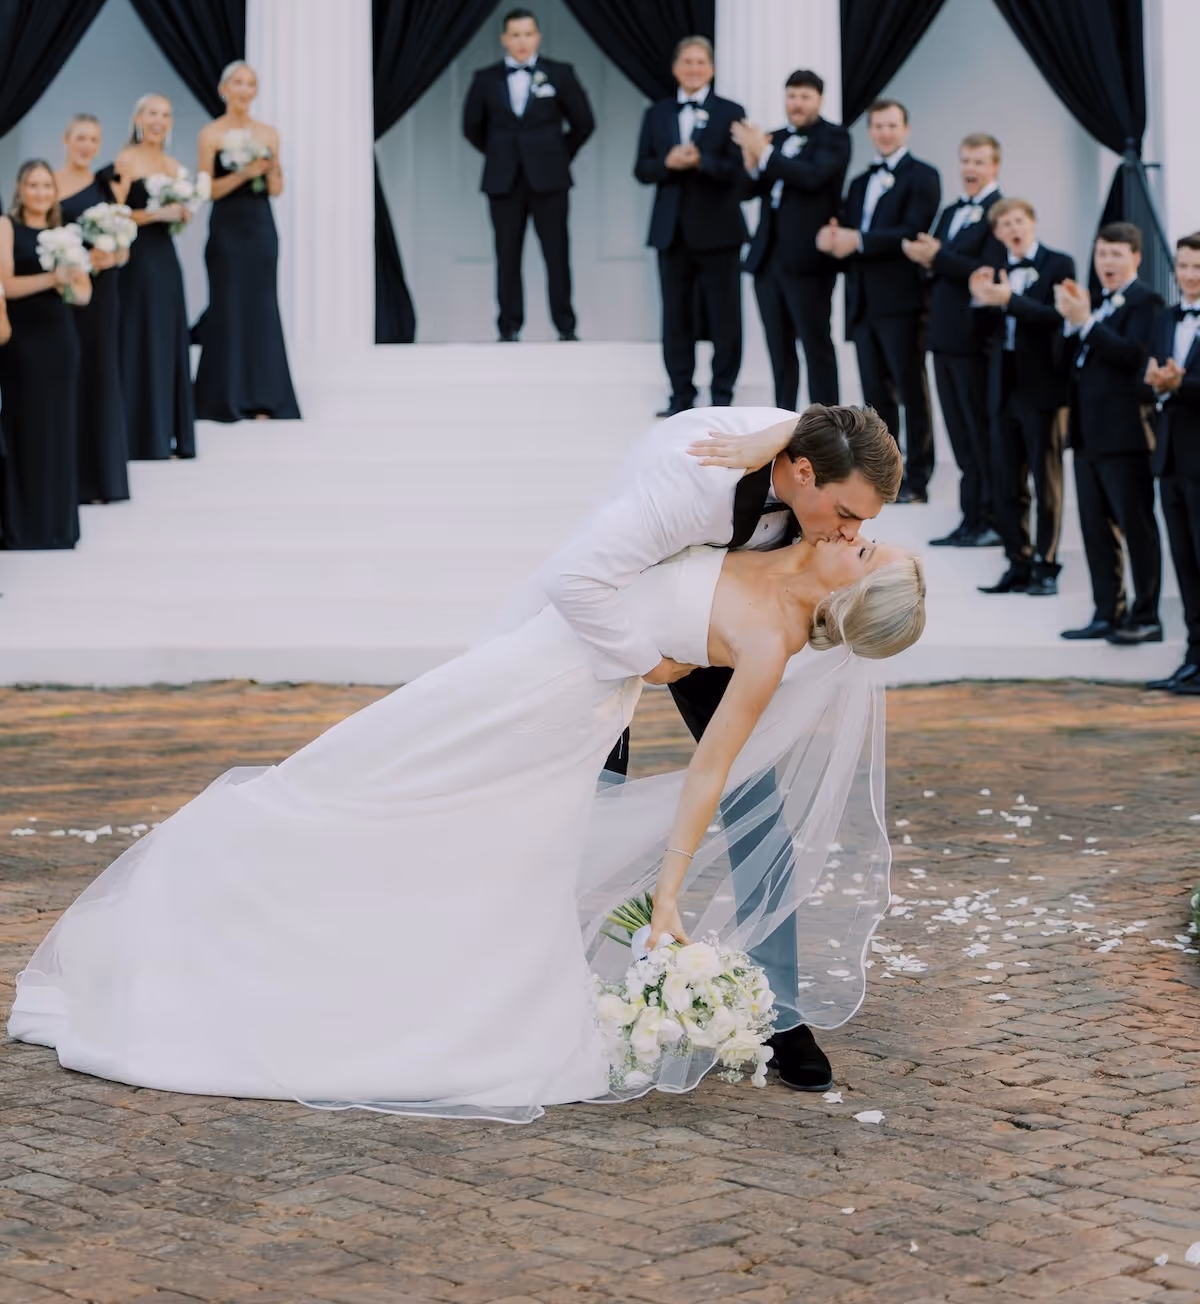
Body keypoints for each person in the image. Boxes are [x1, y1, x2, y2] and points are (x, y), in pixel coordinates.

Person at [9, 514, 924, 1119]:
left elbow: (708, 773)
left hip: (559, 699)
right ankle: (240, 903)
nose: (860, 530)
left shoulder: (769, 646)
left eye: (871, 547)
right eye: (870, 528)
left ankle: (326, 958)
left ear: (851, 591)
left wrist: (673, 892)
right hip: (537, 657)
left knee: (425, 815)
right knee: (371, 767)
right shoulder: (778, 522)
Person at [506, 399, 903, 1091]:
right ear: (803, 475)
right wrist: (642, 662)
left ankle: (781, 1012)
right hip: (612, 629)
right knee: (584, 808)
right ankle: (550, 984)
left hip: (722, 634)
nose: (854, 531)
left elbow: (822, 425)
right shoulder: (693, 481)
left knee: (759, 812)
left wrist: (778, 433)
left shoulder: (822, 474)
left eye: (863, 524)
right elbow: (584, 579)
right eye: (848, 514)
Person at [817, 100, 940, 501]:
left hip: (902, 300)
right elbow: (848, 228)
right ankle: (885, 475)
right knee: (876, 396)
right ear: (870, 131)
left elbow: (912, 229)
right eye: (878, 126)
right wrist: (834, 237)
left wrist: (861, 240)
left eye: (892, 125)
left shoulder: (923, 176)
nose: (885, 132)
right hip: (862, 301)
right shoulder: (859, 181)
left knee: (911, 390)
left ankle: (918, 479)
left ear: (905, 128)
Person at [1055, 222, 1162, 644]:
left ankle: (1147, 614)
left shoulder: (1147, 302)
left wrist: (1085, 323)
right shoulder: (1094, 303)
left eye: (1116, 254)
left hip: (1126, 437)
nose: (1107, 263)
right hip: (1086, 437)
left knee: (1136, 528)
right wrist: (1073, 321)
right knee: (1095, 530)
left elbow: (1133, 356)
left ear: (1135, 257)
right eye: (1101, 254)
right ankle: (1107, 611)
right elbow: (1070, 363)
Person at [462, 8, 594, 343]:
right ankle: (508, 326)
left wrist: (558, 153)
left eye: (528, 34)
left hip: (550, 178)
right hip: (503, 179)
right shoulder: (485, 79)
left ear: (538, 37)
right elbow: (471, 127)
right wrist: (499, 153)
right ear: (504, 39)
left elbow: (583, 122)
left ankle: (565, 325)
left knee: (556, 253)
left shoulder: (560, 74)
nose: (522, 41)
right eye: (515, 34)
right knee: (507, 254)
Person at [969, 199, 1075, 597]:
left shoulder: (1059, 264)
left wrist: (1008, 300)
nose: (1013, 228)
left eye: (1018, 221)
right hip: (1004, 388)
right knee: (1006, 481)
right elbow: (983, 332)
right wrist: (979, 299)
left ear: (1031, 223)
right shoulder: (995, 271)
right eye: (1005, 224)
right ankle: (1018, 560)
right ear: (997, 234)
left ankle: (1046, 566)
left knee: (1046, 482)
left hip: (1043, 388)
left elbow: (1054, 317)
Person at [636, 36, 747, 415]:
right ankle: (680, 395)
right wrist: (668, 162)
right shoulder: (657, 113)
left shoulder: (731, 111)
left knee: (724, 315)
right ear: (675, 68)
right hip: (672, 232)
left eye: (701, 62)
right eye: (687, 61)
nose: (694, 68)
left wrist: (701, 161)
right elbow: (642, 168)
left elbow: (738, 172)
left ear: (711, 68)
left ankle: (722, 394)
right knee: (675, 317)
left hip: (719, 231)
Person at [903, 133, 1003, 547]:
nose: (970, 169)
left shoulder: (1001, 213)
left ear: (995, 166)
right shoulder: (949, 211)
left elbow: (987, 267)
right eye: (965, 160)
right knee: (958, 434)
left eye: (979, 161)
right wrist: (932, 260)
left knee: (978, 431)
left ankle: (989, 518)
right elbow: (940, 265)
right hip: (941, 335)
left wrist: (937, 257)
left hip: (972, 338)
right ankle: (969, 518)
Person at [735, 69, 850, 409]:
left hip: (808, 262)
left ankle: (827, 424)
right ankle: (780, 422)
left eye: (804, 97)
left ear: (819, 100)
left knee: (816, 345)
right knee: (779, 350)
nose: (796, 104)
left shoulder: (835, 138)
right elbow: (745, 191)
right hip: (768, 260)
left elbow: (812, 178)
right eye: (791, 96)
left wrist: (766, 155)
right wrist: (751, 159)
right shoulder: (774, 137)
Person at [194, 61, 300, 423]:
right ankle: (226, 395)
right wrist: (242, 173)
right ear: (224, 89)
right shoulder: (211, 134)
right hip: (227, 226)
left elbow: (276, 189)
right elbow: (207, 189)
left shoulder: (268, 134)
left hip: (260, 226)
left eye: (250, 84)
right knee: (227, 303)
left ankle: (265, 395)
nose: (244, 90)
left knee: (261, 304)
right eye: (238, 83)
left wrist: (272, 171)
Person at [0, 160, 92, 549]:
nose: (40, 192)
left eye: (46, 186)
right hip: (22, 340)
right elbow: (7, 284)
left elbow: (84, 295)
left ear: (55, 192)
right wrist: (50, 278)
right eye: (32, 185)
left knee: (59, 427)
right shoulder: (6, 227)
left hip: (60, 340)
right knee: (24, 426)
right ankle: (23, 524)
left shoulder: (66, 233)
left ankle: (57, 525)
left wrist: (68, 284)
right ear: (21, 190)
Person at [111, 96, 197, 462]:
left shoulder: (174, 166)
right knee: (136, 336)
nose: (159, 120)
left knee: (165, 339)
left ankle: (166, 430)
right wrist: (157, 213)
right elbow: (117, 213)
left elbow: (176, 221)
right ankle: (133, 432)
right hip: (137, 258)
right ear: (138, 119)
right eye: (152, 113)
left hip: (165, 259)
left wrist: (181, 215)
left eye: (166, 114)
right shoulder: (126, 160)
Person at [55, 114, 131, 505]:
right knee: (70, 374)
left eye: (94, 139)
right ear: (66, 140)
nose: (87, 145)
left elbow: (124, 246)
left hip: (104, 295)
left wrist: (111, 257)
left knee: (101, 373)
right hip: (66, 295)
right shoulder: (49, 184)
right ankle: (70, 476)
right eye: (81, 138)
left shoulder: (106, 187)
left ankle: (103, 480)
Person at [1144, 232, 1200, 694]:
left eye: (1197, 266)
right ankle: (1193, 655)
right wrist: (1158, 382)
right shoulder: (1165, 317)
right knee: (1184, 562)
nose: (1189, 274)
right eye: (1183, 265)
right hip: (1171, 459)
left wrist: (1184, 384)